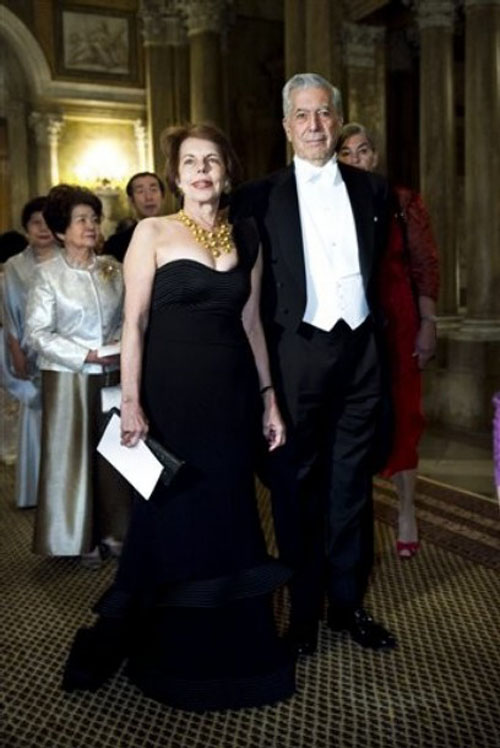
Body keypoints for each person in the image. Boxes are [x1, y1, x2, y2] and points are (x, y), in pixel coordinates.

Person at [62, 124, 296, 710]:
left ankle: (234, 649)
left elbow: (251, 325)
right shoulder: (152, 231)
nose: (201, 170)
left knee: (230, 515)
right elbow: (134, 322)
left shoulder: (247, 234)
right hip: (170, 399)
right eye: (190, 162)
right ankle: (174, 652)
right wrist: (131, 400)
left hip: (231, 401)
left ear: (227, 169)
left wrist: (269, 396)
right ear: (176, 175)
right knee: (176, 520)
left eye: (211, 160)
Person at [232, 73, 396, 656]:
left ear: (338, 119)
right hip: (295, 356)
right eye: (302, 115)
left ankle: (347, 605)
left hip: (362, 355)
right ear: (286, 126)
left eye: (324, 113)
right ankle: (303, 614)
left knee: (352, 487)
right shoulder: (257, 196)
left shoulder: (374, 190)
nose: (315, 125)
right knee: (295, 489)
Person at [337, 122, 440, 559]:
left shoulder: (402, 201)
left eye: (363, 151)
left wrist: (428, 321)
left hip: (398, 323)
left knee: (403, 417)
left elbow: (424, 264)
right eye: (346, 153)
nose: (356, 159)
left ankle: (406, 512)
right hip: (350, 327)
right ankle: (353, 518)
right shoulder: (328, 205)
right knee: (354, 421)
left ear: (374, 156)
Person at [24, 185, 130, 565]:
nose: (91, 226)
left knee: (116, 452)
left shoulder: (113, 267)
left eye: (94, 219)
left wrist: (121, 344)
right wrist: (84, 354)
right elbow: (36, 334)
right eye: (81, 219)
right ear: (60, 230)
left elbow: (129, 317)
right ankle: (78, 537)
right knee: (74, 456)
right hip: (69, 377)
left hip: (114, 373)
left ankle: (116, 532)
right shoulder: (48, 275)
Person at [2, 198, 58, 506]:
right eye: (36, 222)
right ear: (26, 228)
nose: (43, 228)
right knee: (35, 413)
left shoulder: (69, 257)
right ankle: (36, 489)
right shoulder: (14, 265)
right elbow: (10, 311)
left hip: (63, 350)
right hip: (29, 348)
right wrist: (15, 349)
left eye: (48, 222)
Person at [103, 172, 165, 262]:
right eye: (140, 191)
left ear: (163, 196)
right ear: (131, 200)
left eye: (153, 190)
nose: (149, 197)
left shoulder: (178, 233)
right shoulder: (116, 244)